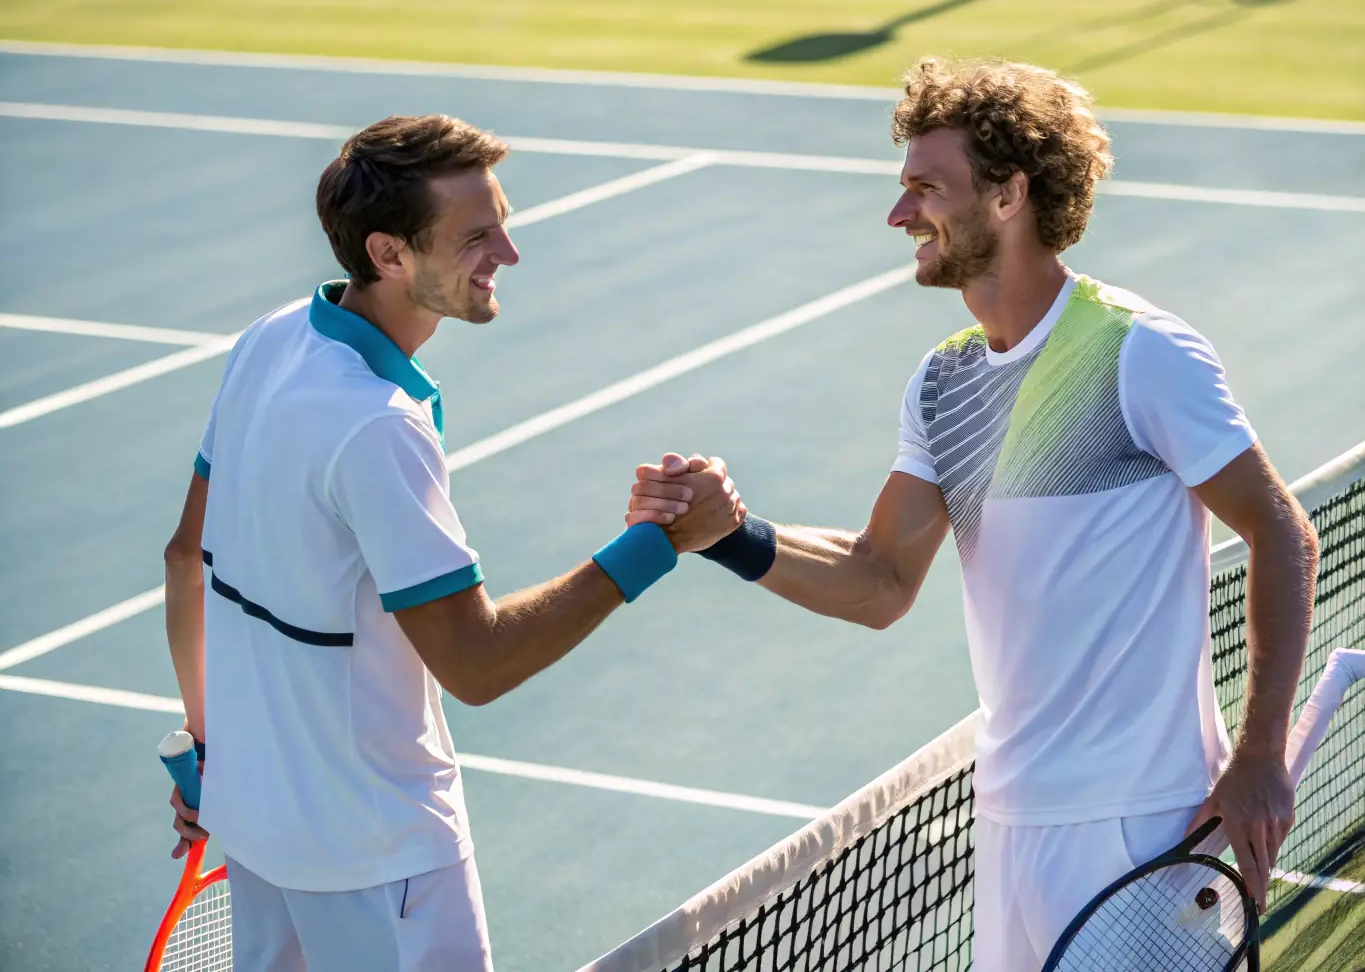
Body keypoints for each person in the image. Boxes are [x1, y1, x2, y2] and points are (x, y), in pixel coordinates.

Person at [628, 59, 1319, 970]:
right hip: (1008, 816)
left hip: (1138, 822)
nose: (899, 214)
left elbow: (1280, 531)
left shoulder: (1137, 351)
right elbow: (877, 581)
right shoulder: (944, 380)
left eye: (926, 188)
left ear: (1007, 195)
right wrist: (729, 537)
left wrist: (1261, 756)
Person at [161, 114, 745, 971]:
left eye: (502, 223)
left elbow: (185, 557)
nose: (507, 253)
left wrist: (214, 747)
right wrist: (656, 545)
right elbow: (476, 665)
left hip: (257, 833)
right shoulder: (377, 428)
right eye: (476, 236)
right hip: (381, 857)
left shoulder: (271, 339)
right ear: (390, 254)